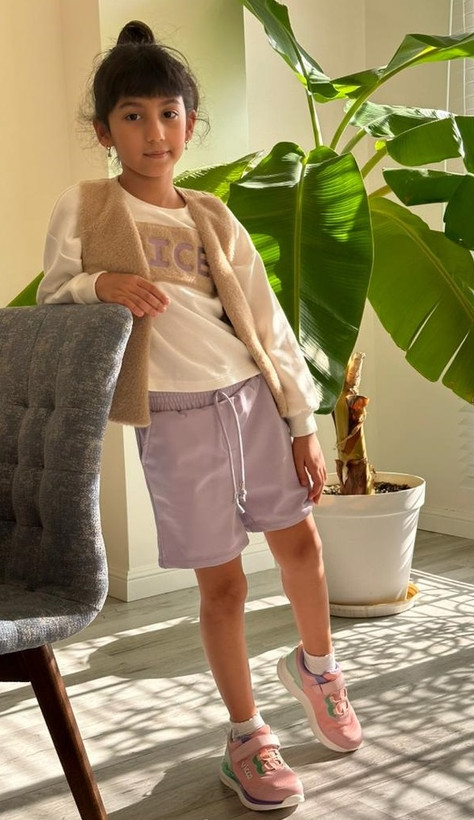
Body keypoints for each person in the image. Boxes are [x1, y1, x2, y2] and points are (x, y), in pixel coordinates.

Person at [38, 20, 362, 812]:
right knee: (222, 586)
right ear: (104, 131)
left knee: (301, 547)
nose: (155, 132)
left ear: (189, 122)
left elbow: (266, 325)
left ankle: (318, 670)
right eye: (133, 116)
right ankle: (246, 737)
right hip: (174, 418)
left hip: (250, 398)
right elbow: (52, 299)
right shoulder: (87, 205)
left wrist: (300, 424)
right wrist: (100, 285)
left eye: (169, 113)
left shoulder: (212, 215)